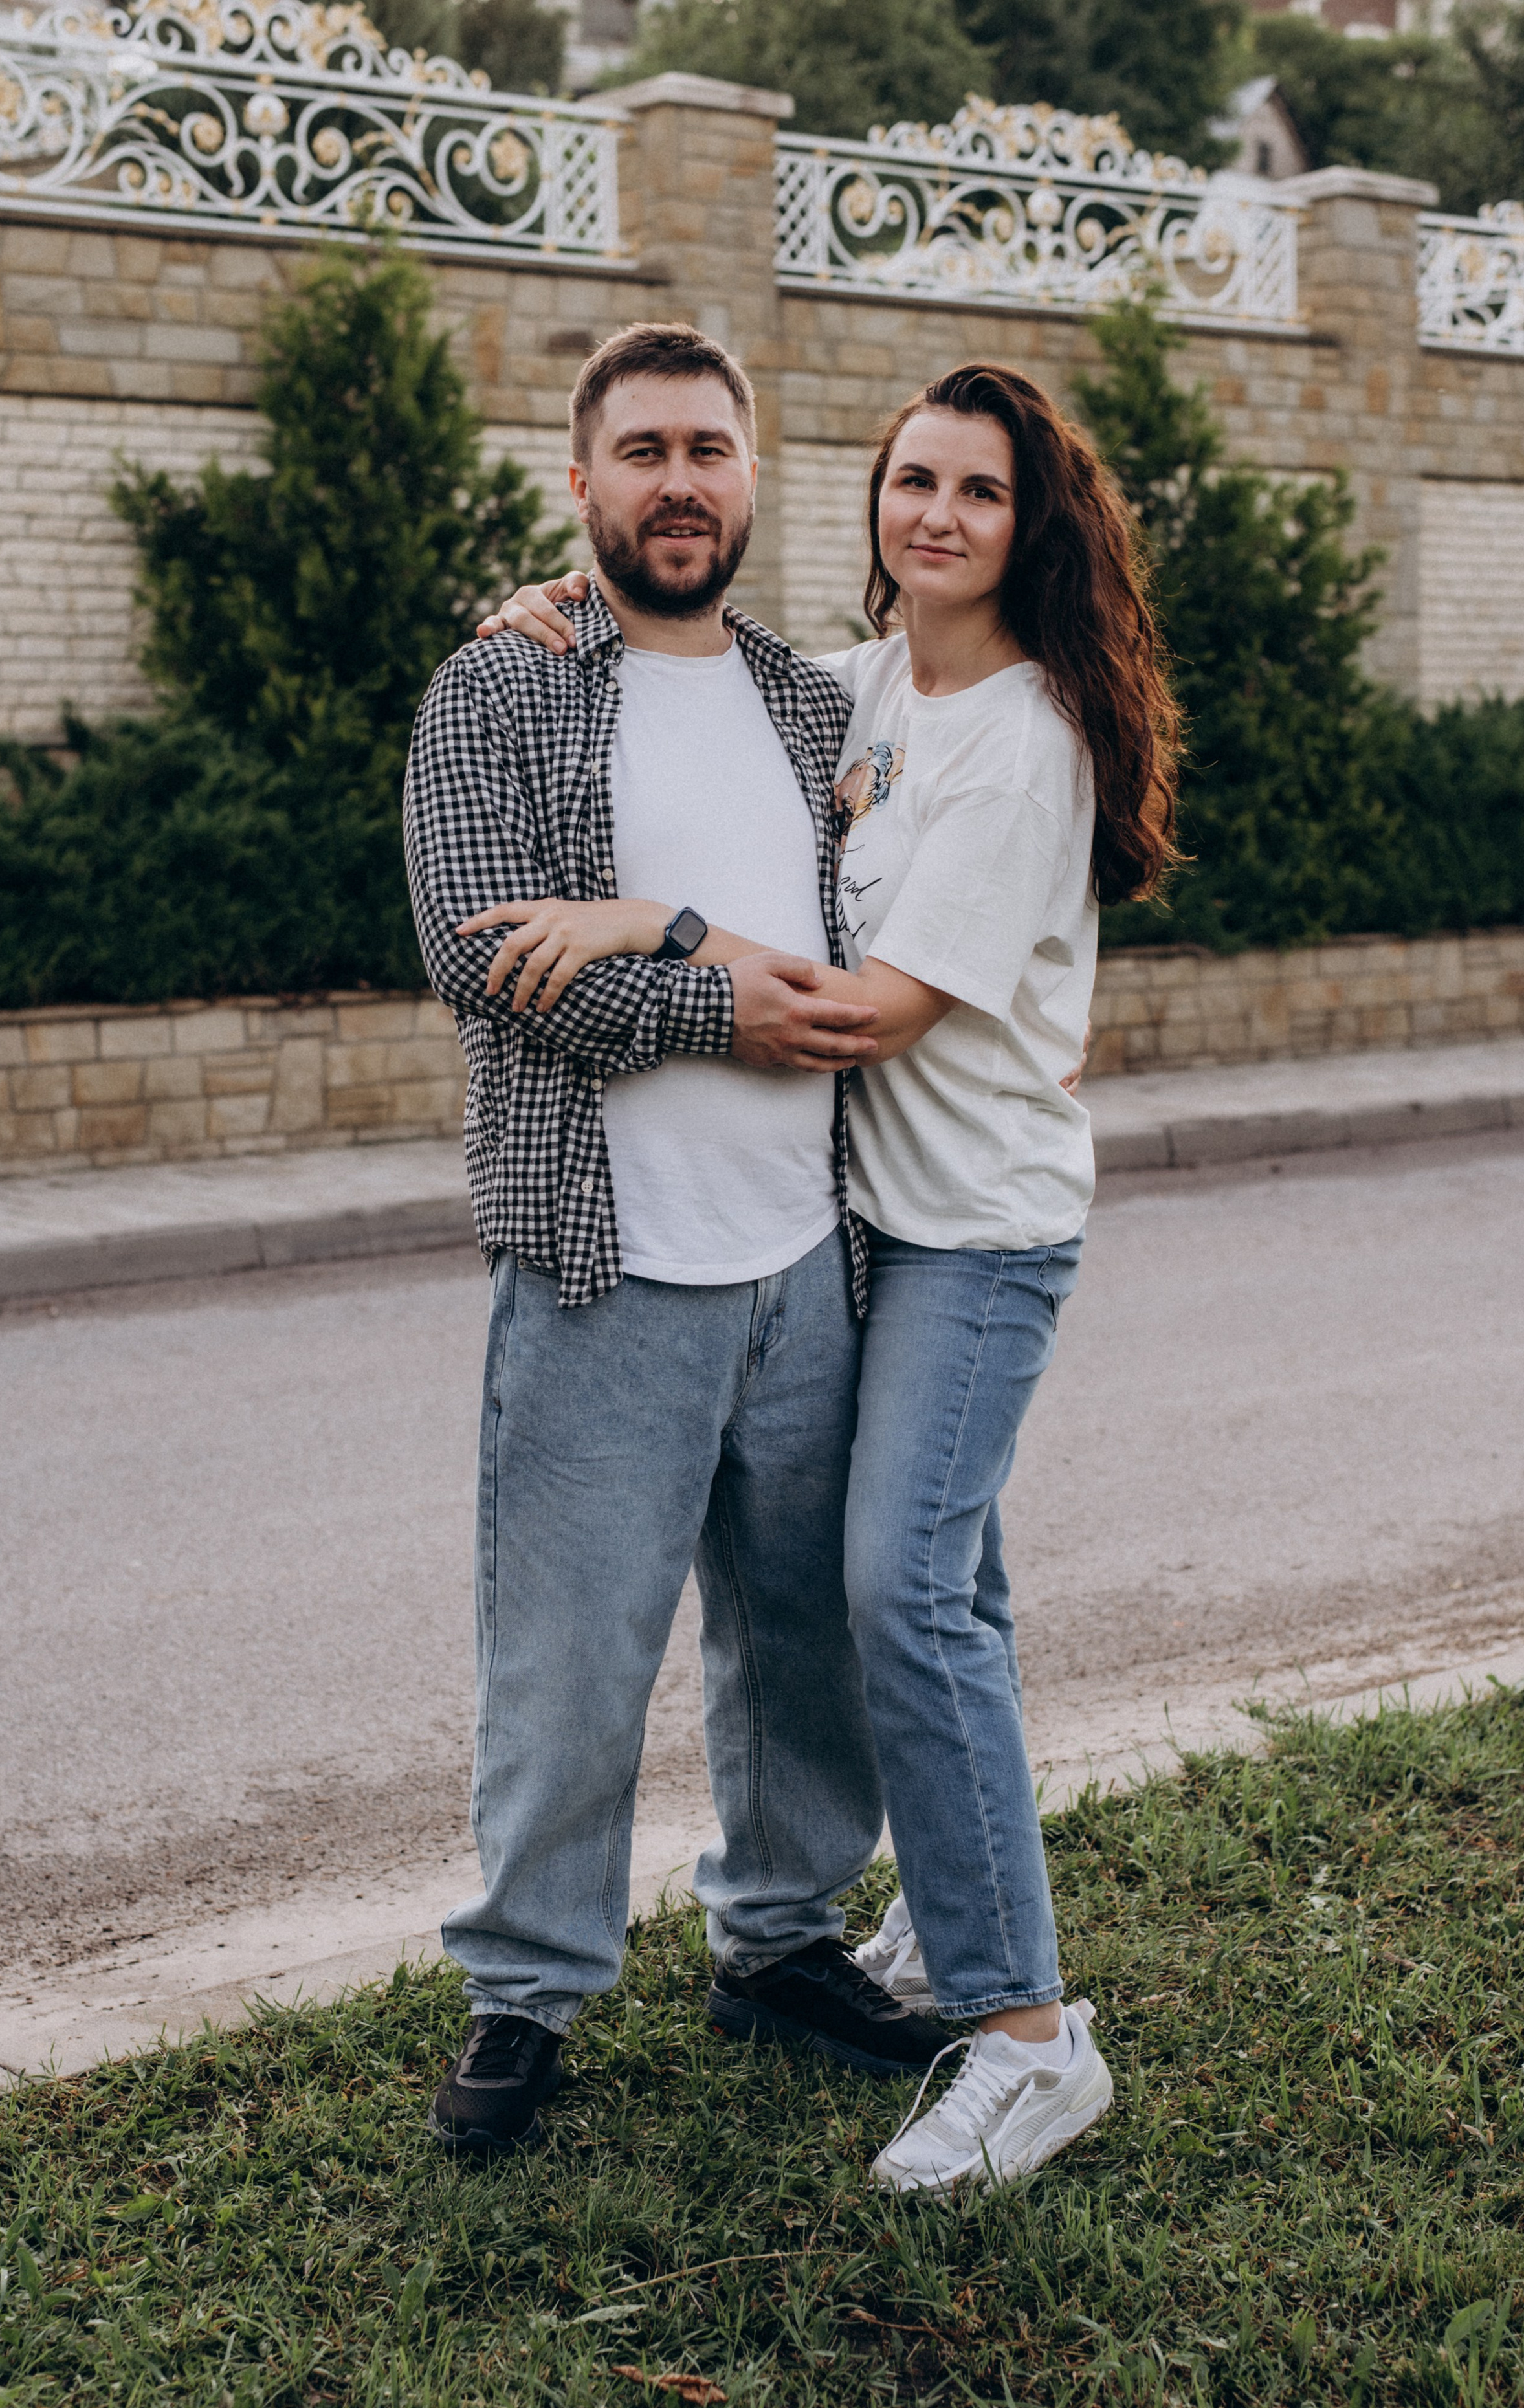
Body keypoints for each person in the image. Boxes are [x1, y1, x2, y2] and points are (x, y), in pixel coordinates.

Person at [478, 357, 1183, 2192]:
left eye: (981, 490)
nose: (939, 515)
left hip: (973, 1234)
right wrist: (556, 603)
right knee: (944, 1596)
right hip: (863, 1226)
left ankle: (1028, 2038)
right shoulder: (857, 689)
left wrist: (652, 928)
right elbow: (685, 667)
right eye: (915, 480)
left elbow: (865, 1014)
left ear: (1030, 529)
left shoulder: (1027, 737)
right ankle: (946, 1933)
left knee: (898, 1596)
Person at [402, 322, 956, 2165]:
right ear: (583, 484)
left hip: (811, 1261)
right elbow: (484, 950)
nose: (678, 483)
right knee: (570, 1664)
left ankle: (781, 1944)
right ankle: (526, 1992)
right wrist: (723, 1002)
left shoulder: (815, 700)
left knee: (802, 1650)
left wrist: (681, 948)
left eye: (709, 449)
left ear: (752, 476)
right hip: (604, 1265)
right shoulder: (501, 690)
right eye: (641, 451)